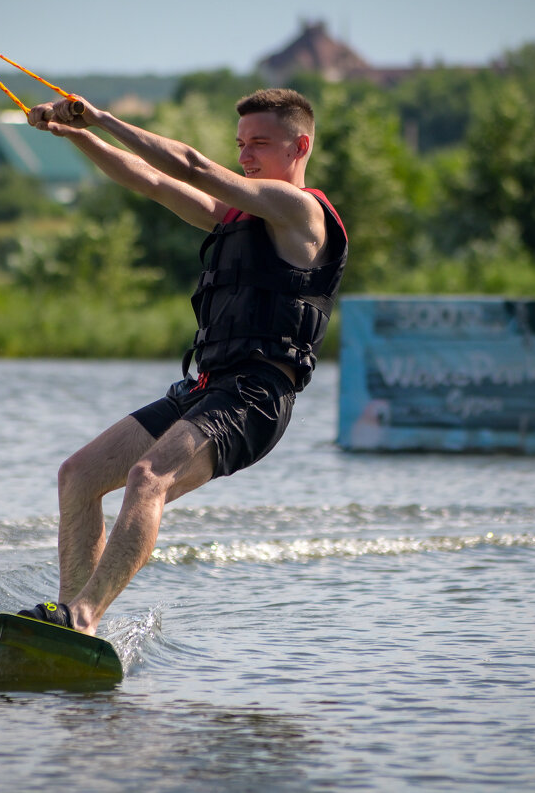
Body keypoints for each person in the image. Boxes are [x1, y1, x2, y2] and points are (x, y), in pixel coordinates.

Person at [20, 88, 347, 635]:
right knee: (77, 476)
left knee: (147, 477)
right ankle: (69, 620)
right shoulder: (236, 216)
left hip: (256, 397)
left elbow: (192, 165)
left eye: (259, 144)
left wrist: (99, 116)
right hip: (205, 388)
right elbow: (148, 180)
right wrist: (73, 133)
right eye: (240, 144)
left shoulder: (302, 211)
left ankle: (83, 615)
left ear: (300, 146)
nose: (244, 156)